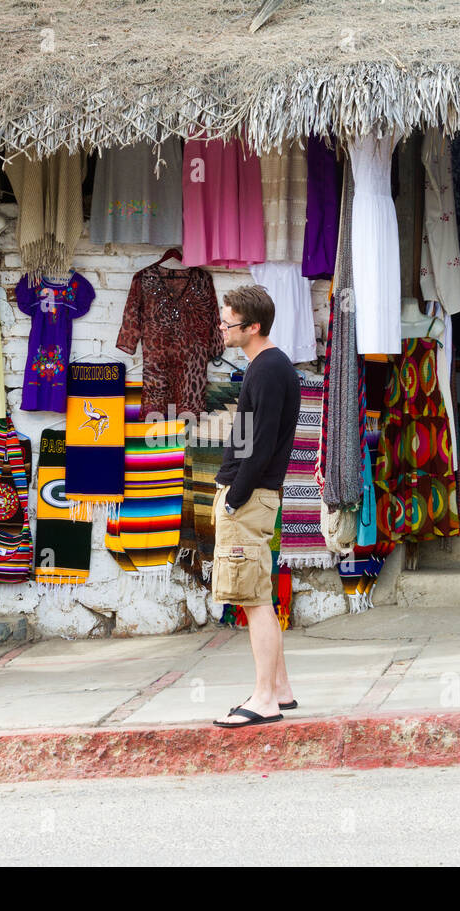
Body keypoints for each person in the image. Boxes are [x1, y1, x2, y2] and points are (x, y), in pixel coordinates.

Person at [210, 285, 302, 728]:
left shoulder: (266, 370)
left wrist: (236, 497)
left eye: (228, 323)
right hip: (251, 494)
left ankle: (264, 698)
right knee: (257, 592)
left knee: (252, 598)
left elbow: (260, 445)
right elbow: (250, 437)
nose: (222, 329)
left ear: (253, 327)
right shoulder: (266, 367)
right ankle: (280, 689)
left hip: (249, 498)